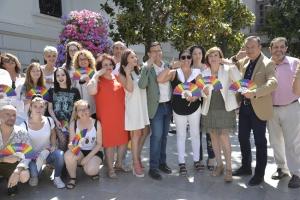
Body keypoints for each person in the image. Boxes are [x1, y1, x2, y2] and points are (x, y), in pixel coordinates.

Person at [232, 36, 278, 186]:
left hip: (259, 108)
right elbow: (228, 67)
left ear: (259, 47)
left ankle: (259, 174)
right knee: (242, 138)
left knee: (260, 142)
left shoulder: (267, 63)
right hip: (244, 108)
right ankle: (246, 167)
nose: (249, 50)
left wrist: (255, 92)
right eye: (247, 47)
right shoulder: (244, 61)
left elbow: (273, 83)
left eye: (252, 47)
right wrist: (235, 57)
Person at [157, 49, 202, 176]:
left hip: (194, 107)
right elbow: (159, 79)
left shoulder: (196, 73)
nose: (186, 60)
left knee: (195, 134)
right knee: (181, 135)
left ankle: (196, 160)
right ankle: (181, 162)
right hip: (178, 108)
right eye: (183, 57)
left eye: (188, 57)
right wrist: (170, 66)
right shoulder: (174, 72)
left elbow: (201, 89)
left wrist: (195, 96)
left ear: (191, 59)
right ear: (179, 59)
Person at [201, 47, 241, 182]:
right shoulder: (204, 72)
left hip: (225, 107)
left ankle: (229, 168)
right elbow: (200, 91)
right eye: (210, 56)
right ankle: (219, 165)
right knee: (213, 137)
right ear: (208, 58)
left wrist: (230, 64)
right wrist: (203, 92)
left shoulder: (228, 70)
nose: (213, 58)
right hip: (210, 107)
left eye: (216, 55)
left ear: (220, 57)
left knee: (224, 136)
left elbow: (239, 81)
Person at [87, 53, 129, 178]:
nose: (108, 66)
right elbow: (91, 91)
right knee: (109, 143)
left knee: (123, 141)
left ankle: (119, 164)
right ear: (100, 67)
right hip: (106, 118)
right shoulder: (97, 80)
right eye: (105, 65)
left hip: (121, 116)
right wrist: (96, 74)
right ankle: (110, 168)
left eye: (110, 64)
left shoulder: (117, 77)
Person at [267, 37, 300, 188]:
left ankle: (297, 173)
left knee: (293, 142)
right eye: (275, 47)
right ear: (270, 49)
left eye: (282, 47)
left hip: (291, 107)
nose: (278, 50)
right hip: (271, 109)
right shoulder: (266, 65)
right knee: (275, 141)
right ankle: (282, 168)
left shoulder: (295, 63)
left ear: (286, 48)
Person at [138, 42, 172, 180]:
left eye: (159, 50)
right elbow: (142, 84)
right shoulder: (146, 67)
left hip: (168, 105)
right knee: (156, 136)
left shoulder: (167, 65)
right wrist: (147, 66)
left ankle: (162, 163)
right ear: (149, 54)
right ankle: (153, 168)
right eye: (154, 51)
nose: (157, 53)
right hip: (156, 107)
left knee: (164, 137)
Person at [20, 95, 65, 189]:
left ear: (45, 107)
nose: (38, 109)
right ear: (30, 107)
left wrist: (53, 145)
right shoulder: (24, 125)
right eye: (35, 106)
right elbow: (23, 146)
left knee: (59, 154)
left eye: (41, 106)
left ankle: (57, 178)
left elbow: (53, 133)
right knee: (34, 180)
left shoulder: (49, 120)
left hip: (47, 152)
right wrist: (34, 155)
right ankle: (35, 174)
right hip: (32, 156)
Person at [118, 49, 150, 177]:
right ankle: (135, 162)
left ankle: (136, 157)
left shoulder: (138, 71)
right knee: (136, 134)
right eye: (132, 57)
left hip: (142, 106)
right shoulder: (121, 74)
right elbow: (130, 89)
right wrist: (127, 73)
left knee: (144, 132)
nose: (135, 59)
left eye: (135, 57)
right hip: (132, 108)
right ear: (126, 60)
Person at [64, 100, 103, 189]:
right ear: (77, 112)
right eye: (80, 110)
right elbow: (73, 142)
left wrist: (87, 158)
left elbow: (99, 144)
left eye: (85, 109)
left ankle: (91, 167)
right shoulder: (73, 124)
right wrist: (71, 146)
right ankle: (72, 178)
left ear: (89, 110)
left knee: (90, 170)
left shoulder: (97, 123)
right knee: (68, 155)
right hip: (80, 151)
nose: (83, 111)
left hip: (94, 152)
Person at [190, 45, 216, 170]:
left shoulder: (207, 68)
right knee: (196, 132)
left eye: (200, 53)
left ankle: (211, 158)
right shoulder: (187, 68)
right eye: (195, 53)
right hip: (193, 104)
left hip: (207, 103)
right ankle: (198, 158)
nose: (197, 56)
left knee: (209, 132)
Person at [0, 105, 31, 196]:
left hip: (11, 165)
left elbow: (28, 155)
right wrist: (3, 159)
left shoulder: (22, 132)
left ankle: (12, 182)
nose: (12, 117)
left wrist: (17, 171)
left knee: (24, 175)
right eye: (8, 114)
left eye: (14, 115)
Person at [48, 68, 81, 151]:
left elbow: (75, 109)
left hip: (71, 122)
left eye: (63, 75)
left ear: (67, 76)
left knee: (71, 145)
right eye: (57, 76)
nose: (60, 77)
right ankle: (61, 162)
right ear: (55, 78)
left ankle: (70, 161)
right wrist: (56, 121)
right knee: (62, 142)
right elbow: (50, 108)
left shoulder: (75, 91)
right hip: (57, 123)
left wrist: (71, 123)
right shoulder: (52, 91)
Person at [0, 53, 25, 124]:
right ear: (3, 65)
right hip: (3, 112)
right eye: (7, 60)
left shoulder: (23, 77)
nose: (10, 61)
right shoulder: (1, 77)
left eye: (12, 59)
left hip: (20, 114)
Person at [72, 50, 96, 117]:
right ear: (77, 61)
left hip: (91, 105)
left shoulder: (93, 72)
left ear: (89, 60)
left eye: (85, 59)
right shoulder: (76, 73)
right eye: (80, 59)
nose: (83, 61)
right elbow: (74, 87)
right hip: (79, 105)